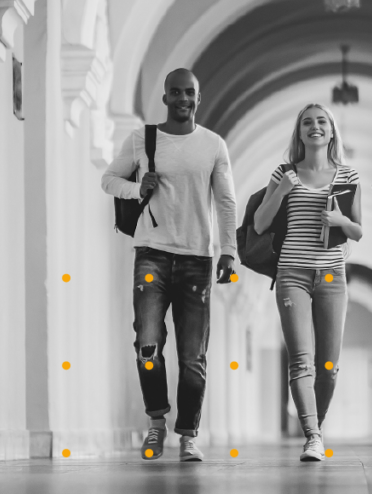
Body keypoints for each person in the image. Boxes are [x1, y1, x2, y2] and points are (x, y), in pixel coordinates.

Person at [101, 68, 238, 462]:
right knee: (148, 343)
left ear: (199, 97)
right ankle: (156, 423)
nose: (183, 98)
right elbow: (109, 179)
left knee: (193, 355)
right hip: (152, 255)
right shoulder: (143, 139)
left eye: (189, 92)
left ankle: (189, 434)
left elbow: (226, 202)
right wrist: (135, 187)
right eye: (175, 92)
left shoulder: (213, 144)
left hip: (197, 258)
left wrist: (229, 250)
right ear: (165, 98)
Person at [253, 103, 363, 462]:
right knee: (302, 361)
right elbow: (259, 224)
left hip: (332, 276)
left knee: (328, 367)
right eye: (307, 123)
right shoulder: (284, 173)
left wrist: (339, 220)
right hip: (292, 275)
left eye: (321, 122)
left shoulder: (349, 176)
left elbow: (358, 231)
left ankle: (318, 422)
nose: (315, 127)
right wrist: (282, 191)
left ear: (332, 131)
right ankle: (313, 435)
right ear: (299, 133)